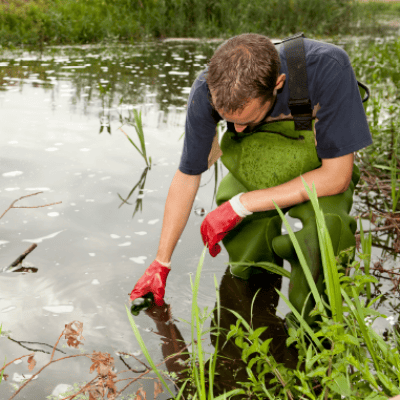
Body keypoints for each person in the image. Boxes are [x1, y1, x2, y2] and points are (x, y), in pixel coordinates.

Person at [129, 33, 373, 309]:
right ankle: (254, 308)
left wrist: (241, 204)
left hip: (322, 164)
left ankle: (314, 325)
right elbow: (188, 175)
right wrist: (162, 261)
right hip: (257, 159)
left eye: (247, 120)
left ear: (278, 84)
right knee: (246, 248)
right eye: (229, 121)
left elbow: (336, 177)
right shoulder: (204, 90)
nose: (239, 129)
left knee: (325, 229)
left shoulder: (328, 67)